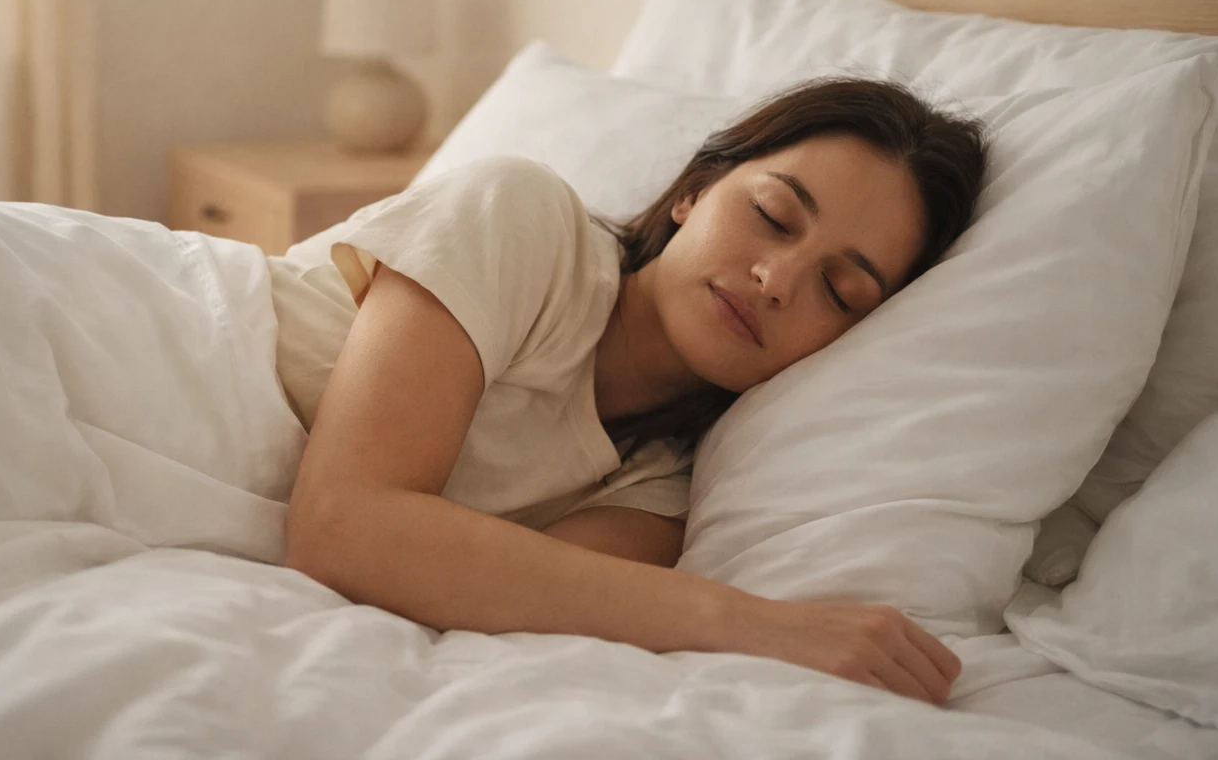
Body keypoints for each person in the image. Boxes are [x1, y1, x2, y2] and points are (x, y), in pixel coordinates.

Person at [271, 76, 988, 706]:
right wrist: (754, 621)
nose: (777, 279)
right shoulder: (523, 218)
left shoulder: (664, 491)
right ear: (693, 192)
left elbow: (481, 599)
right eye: (771, 216)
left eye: (840, 289)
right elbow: (342, 526)